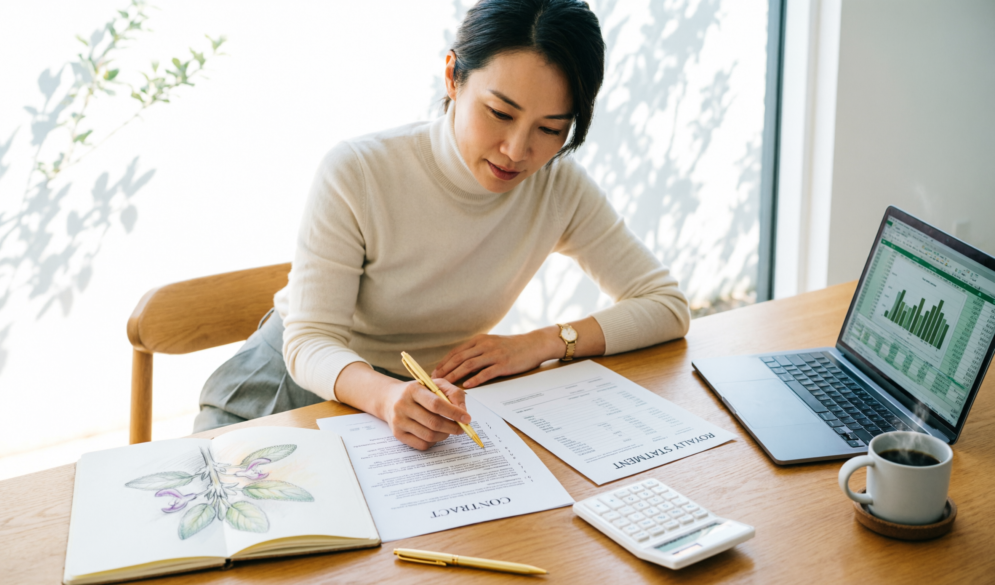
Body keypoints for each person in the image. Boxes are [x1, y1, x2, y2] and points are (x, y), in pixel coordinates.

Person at [195, 0, 690, 450]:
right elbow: (309, 341)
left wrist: (539, 344)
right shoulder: (359, 170)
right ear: (453, 76)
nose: (517, 151)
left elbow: (665, 306)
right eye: (499, 113)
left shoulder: (558, 188)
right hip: (291, 390)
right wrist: (386, 397)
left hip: (422, 409)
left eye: (550, 129)